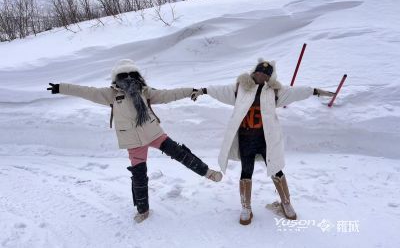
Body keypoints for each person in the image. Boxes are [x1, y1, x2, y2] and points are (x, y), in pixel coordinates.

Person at [47, 59, 222, 223]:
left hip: (153, 133)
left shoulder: (145, 92)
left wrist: (189, 90)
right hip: (133, 141)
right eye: (124, 75)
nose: (129, 78)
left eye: (132, 74)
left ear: (138, 76)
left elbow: (169, 94)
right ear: (117, 78)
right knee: (138, 176)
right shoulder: (111, 94)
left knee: (180, 153)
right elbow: (86, 91)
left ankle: (208, 173)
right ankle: (143, 210)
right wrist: (61, 88)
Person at [191, 58, 334, 225]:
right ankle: (246, 210)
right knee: (246, 171)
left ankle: (287, 206)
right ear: (254, 73)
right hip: (245, 139)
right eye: (259, 73)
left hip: (266, 139)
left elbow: (296, 92)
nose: (262, 76)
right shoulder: (241, 88)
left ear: (270, 77)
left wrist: (315, 91)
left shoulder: (274, 91)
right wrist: (203, 90)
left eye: (266, 74)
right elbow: (221, 91)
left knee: (276, 169)